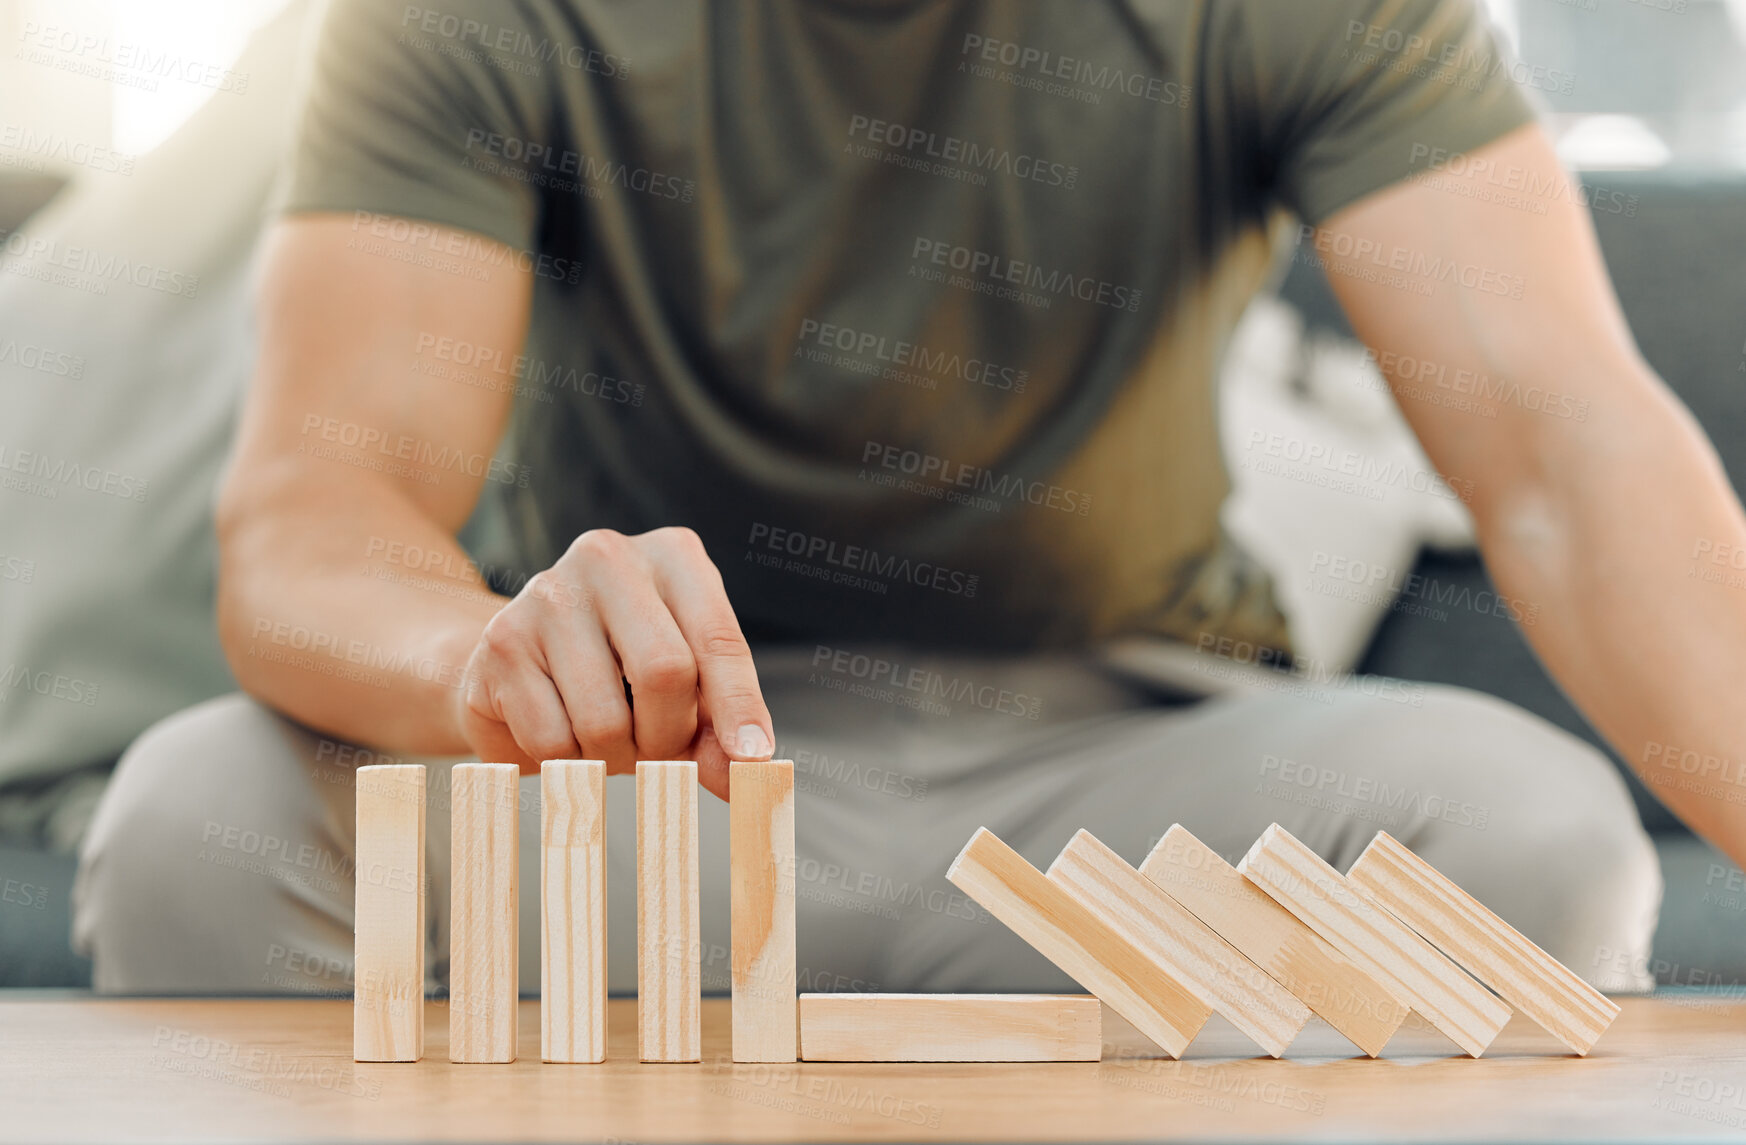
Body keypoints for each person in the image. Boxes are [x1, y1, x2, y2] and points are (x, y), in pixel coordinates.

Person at [78, 0, 1738, 1003]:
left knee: (1532, 833)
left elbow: (1566, 456)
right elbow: (318, 500)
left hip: (1132, 786)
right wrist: (488, 661)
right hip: (651, 799)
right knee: (187, 829)